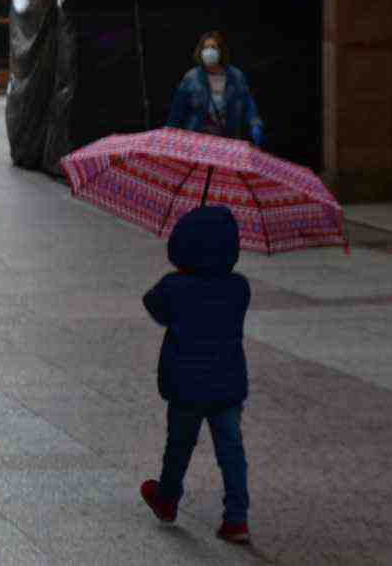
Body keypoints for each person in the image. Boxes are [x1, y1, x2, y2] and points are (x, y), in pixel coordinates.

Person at [139, 205, 252, 545]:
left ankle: (168, 498)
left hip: (185, 386)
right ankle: (237, 518)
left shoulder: (173, 287)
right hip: (226, 386)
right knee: (231, 450)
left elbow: (152, 305)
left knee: (179, 445)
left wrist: (181, 278)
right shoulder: (239, 288)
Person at [166, 31, 264, 146]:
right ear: (200, 51)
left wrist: (255, 124)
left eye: (213, 47)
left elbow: (248, 104)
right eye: (205, 48)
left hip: (228, 140)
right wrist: (169, 134)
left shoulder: (236, 76)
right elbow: (177, 110)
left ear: (221, 51)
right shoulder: (191, 78)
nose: (209, 51)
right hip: (198, 141)